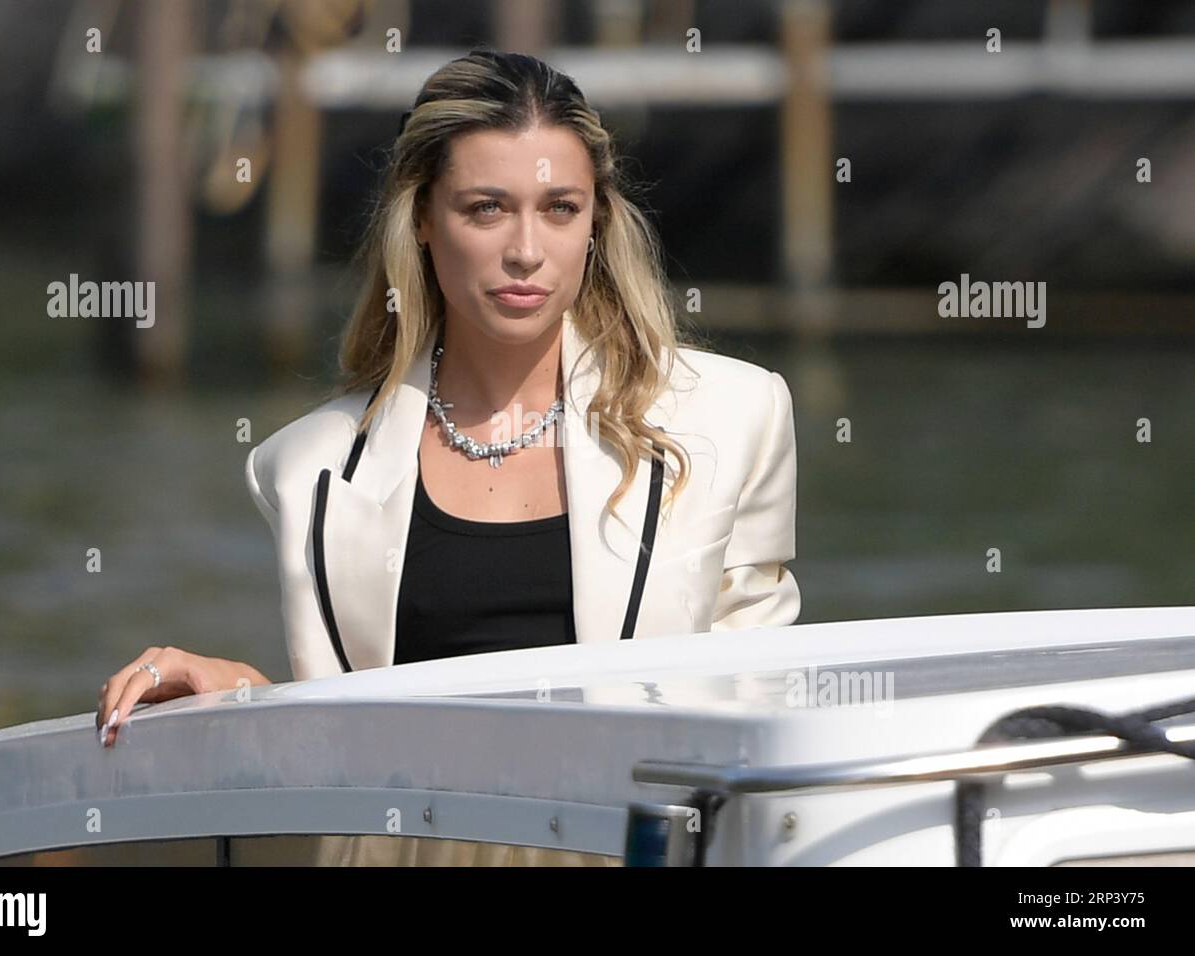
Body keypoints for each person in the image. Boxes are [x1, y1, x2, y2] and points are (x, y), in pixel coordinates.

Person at [95, 48, 799, 751]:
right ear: (424, 218)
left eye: (560, 209)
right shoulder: (306, 466)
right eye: (486, 208)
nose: (526, 249)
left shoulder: (734, 416)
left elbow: (763, 705)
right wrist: (240, 693)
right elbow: (345, 733)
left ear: (596, 224)